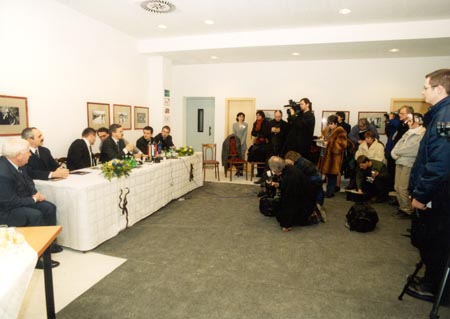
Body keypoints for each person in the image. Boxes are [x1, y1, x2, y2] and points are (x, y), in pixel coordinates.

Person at [406, 69, 450, 303]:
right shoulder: (441, 114)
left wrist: (421, 195)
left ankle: (434, 286)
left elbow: (441, 163)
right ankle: (431, 280)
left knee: (435, 241)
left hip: (438, 195)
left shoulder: (445, 117)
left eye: (426, 87)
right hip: (438, 192)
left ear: (439, 89)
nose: (422, 92)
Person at [0, 138, 62, 268]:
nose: (30, 154)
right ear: (18, 155)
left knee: (49, 207)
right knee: (35, 215)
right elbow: (9, 202)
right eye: (28, 152)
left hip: (19, 201)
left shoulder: (19, 165)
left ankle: (48, 245)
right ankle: (36, 257)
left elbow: (29, 183)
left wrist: (35, 194)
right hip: (5, 211)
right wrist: (33, 199)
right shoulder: (3, 173)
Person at [390, 113, 425, 218]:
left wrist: (398, 153)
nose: (407, 123)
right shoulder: (407, 132)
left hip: (409, 163)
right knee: (397, 187)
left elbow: (414, 150)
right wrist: (395, 154)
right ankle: (402, 207)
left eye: (409, 121)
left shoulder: (422, 133)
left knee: (403, 188)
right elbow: (396, 146)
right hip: (399, 161)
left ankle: (407, 210)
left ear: (418, 121)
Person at [267, 156, 311, 232]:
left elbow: (289, 202)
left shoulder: (290, 178)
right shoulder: (289, 169)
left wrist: (285, 224)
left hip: (304, 205)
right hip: (305, 198)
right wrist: (279, 185)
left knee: (279, 213)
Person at [284, 151, 325, 222]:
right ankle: (318, 205)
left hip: (312, 180)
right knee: (318, 191)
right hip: (317, 179)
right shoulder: (303, 161)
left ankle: (314, 210)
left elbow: (296, 177)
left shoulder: (299, 165)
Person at [317, 115, 347, 198]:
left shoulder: (341, 131)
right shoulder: (327, 129)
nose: (329, 125)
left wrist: (329, 143)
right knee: (327, 175)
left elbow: (341, 145)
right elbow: (323, 136)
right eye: (329, 123)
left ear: (336, 123)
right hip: (324, 155)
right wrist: (321, 138)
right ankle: (328, 191)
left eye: (331, 124)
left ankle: (330, 192)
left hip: (333, 157)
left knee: (332, 176)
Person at [248, 110, 271, 177]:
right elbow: (253, 132)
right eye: (257, 115)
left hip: (264, 143)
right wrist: (258, 135)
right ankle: (259, 173)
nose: (257, 116)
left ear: (262, 115)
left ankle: (263, 174)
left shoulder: (266, 122)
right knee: (258, 157)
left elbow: (266, 133)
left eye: (259, 115)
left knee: (263, 158)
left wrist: (258, 135)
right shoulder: (255, 123)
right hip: (257, 142)